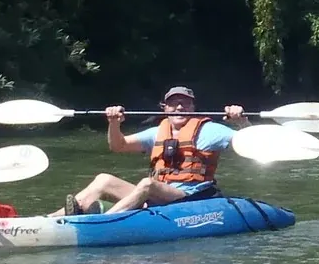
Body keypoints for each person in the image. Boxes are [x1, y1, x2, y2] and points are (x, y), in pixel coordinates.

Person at [61, 86, 245, 215]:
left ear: (193, 108)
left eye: (185, 103)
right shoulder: (156, 133)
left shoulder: (210, 130)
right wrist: (114, 123)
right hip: (158, 196)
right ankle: (53, 219)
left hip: (188, 197)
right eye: (174, 103)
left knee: (148, 184)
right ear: (165, 108)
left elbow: (248, 142)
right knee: (103, 179)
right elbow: (118, 146)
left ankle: (104, 221)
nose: (180, 107)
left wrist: (241, 122)